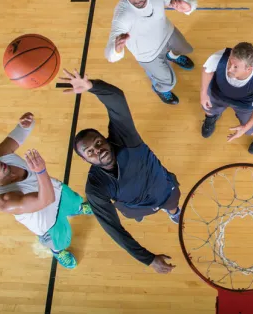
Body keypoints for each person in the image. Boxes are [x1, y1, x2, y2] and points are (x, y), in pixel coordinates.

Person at [59, 68, 181, 274]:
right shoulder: (95, 189)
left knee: (173, 204)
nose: (97, 150)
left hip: (165, 188)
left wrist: (91, 87)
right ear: (85, 159)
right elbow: (113, 229)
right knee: (142, 213)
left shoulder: (125, 139)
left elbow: (117, 99)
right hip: (137, 207)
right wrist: (147, 259)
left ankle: (174, 212)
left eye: (98, 142)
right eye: (90, 151)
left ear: (106, 138)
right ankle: (166, 211)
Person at [0, 112, 93, 269]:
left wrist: (26, 122)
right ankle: (58, 252)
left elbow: (23, 129)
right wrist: (40, 171)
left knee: (75, 201)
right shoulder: (5, 201)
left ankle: (78, 208)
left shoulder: (1, 154)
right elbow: (45, 200)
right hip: (49, 223)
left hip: (58, 192)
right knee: (62, 241)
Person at [105, 0, 197, 105]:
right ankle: (160, 89)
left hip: (167, 33)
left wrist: (188, 6)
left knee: (184, 47)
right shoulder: (122, 14)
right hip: (147, 54)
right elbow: (110, 53)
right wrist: (116, 49)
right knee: (169, 81)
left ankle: (173, 56)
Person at [200, 42, 253, 154]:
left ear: (248, 69)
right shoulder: (219, 57)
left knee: (249, 129)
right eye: (229, 62)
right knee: (208, 108)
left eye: (236, 67)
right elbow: (207, 70)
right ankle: (211, 118)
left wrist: (245, 127)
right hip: (219, 92)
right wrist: (203, 93)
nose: (229, 69)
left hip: (244, 103)